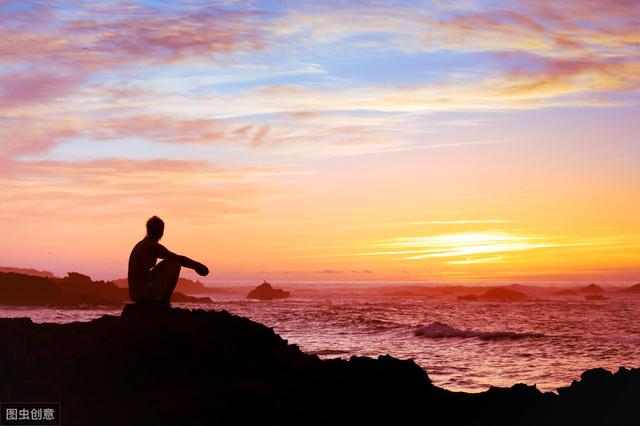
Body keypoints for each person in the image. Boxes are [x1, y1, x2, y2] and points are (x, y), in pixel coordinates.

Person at [128, 216, 209, 306]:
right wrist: (197, 266)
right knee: (175, 263)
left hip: (136, 293)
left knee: (170, 261)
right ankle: (165, 301)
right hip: (141, 293)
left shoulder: (143, 244)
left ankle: (162, 301)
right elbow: (178, 259)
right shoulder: (151, 245)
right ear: (160, 232)